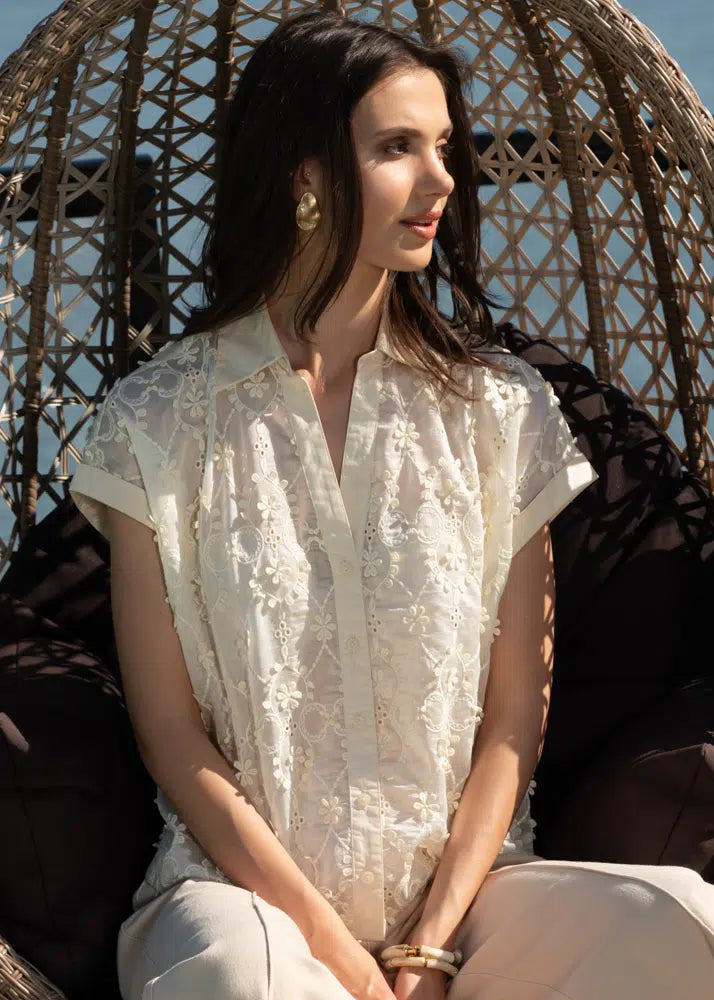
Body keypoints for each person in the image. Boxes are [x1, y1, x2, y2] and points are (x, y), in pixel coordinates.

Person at [68, 9, 714, 1000]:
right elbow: (173, 735)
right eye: (397, 147)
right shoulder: (155, 421)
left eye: (443, 146)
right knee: (243, 983)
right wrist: (341, 960)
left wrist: (426, 949)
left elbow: (511, 724)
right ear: (307, 175)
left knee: (679, 922)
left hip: (470, 904)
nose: (442, 179)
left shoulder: (499, 411)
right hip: (244, 904)